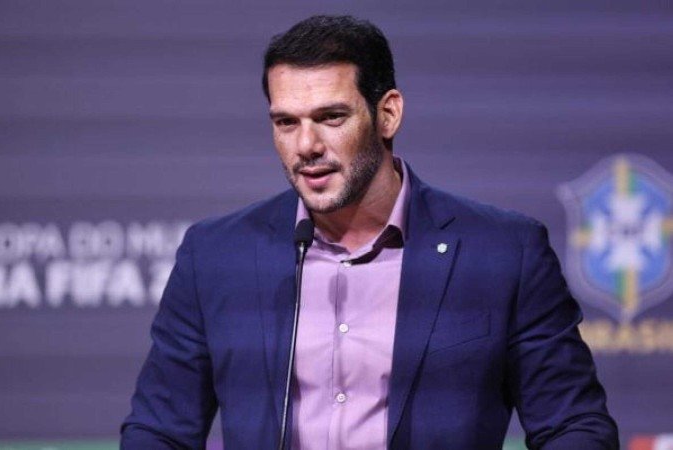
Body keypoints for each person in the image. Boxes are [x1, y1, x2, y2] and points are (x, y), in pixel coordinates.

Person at [121, 15, 619, 450]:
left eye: (331, 117)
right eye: (286, 122)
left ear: (388, 113)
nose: (306, 145)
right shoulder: (216, 256)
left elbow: (574, 426)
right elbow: (159, 431)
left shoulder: (502, 254)